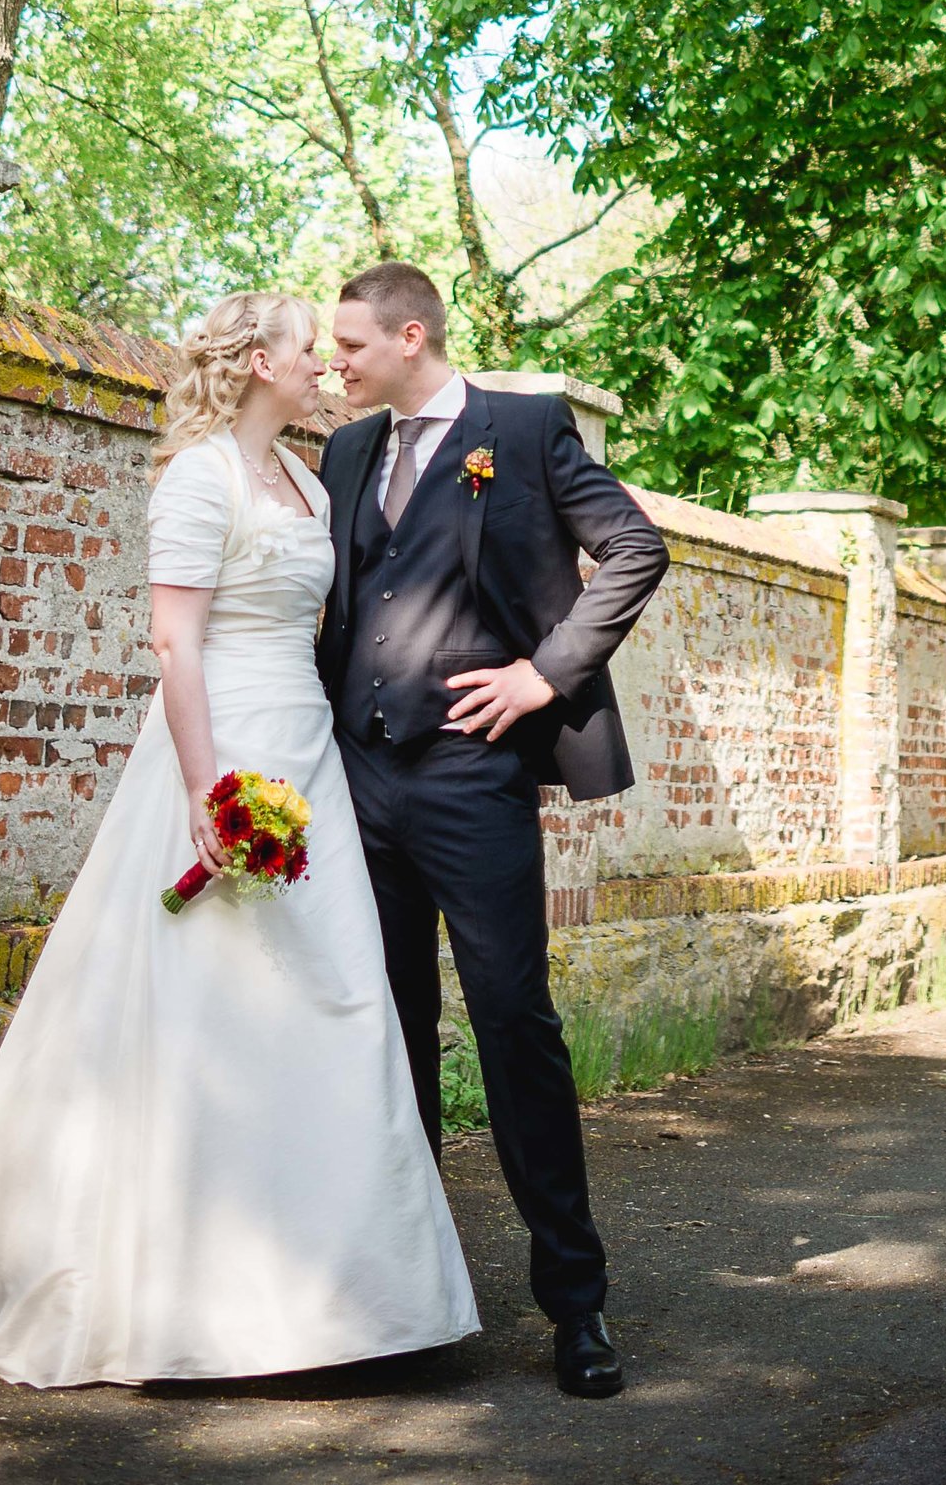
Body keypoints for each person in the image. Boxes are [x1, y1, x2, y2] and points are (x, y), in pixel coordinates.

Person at [0, 291, 477, 1390]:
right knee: (207, 1012)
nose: (325, 367)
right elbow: (175, 643)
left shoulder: (309, 481)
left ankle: (342, 1303)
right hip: (219, 748)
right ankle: (189, 1306)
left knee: (337, 1001)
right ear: (256, 362)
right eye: (305, 351)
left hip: (307, 756)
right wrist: (203, 788)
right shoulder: (199, 476)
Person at [322, 260, 669, 1404]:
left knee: (515, 1025)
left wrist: (540, 673)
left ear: (409, 335)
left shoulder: (519, 430)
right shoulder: (346, 452)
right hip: (357, 778)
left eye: (353, 348)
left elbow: (634, 548)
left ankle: (576, 1305)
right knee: (387, 1035)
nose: (337, 366)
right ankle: (403, 1302)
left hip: (473, 783)